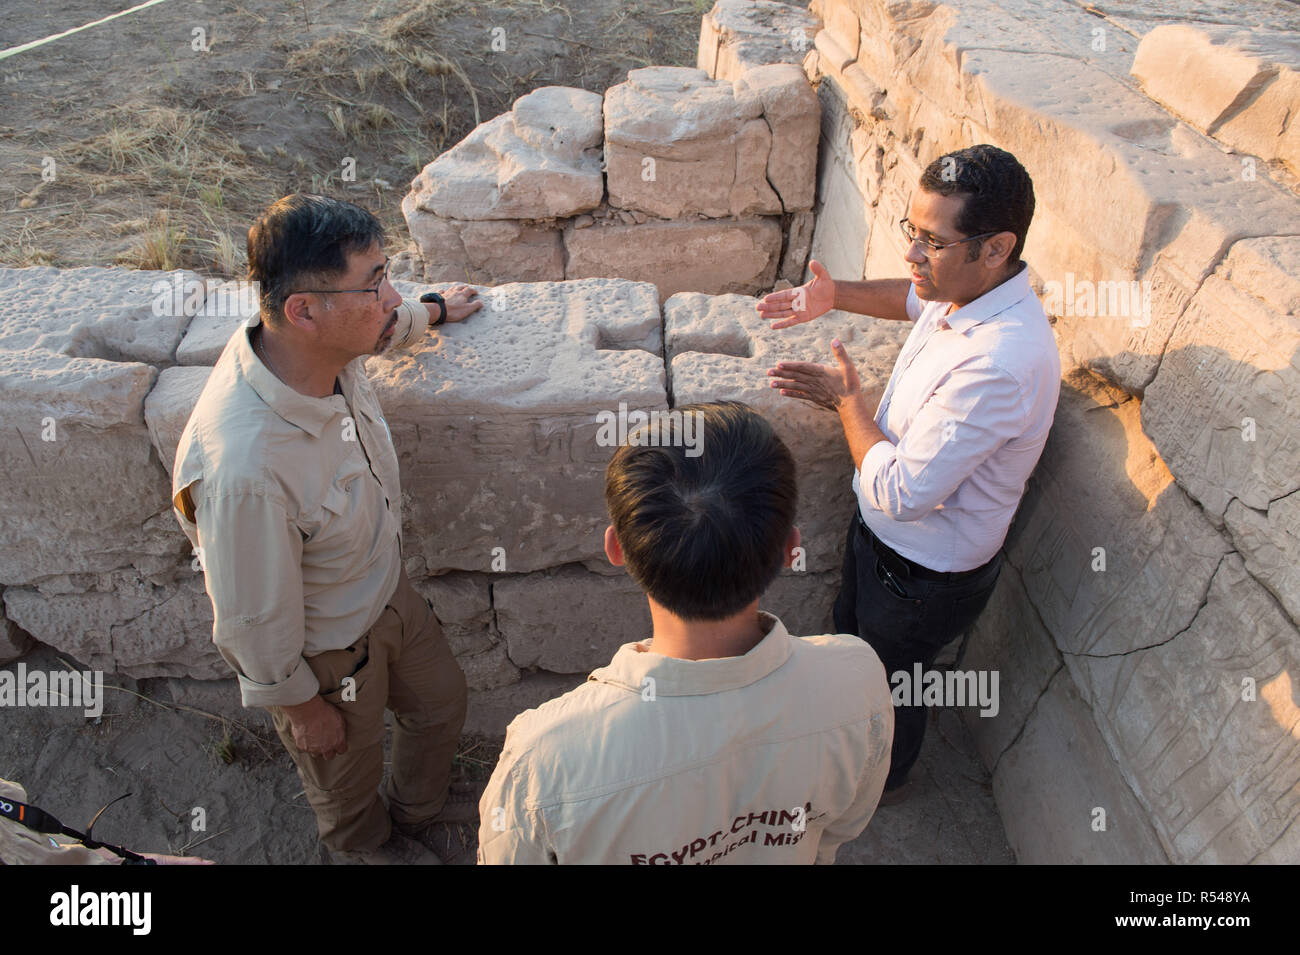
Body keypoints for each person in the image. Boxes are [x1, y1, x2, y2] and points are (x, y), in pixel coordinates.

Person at [170, 194, 483, 864]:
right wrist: (300, 706)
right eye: (374, 284)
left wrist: (429, 310)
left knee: (440, 702)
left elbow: (380, 327)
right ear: (304, 310)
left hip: (384, 589)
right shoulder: (246, 468)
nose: (389, 296)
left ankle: (417, 811)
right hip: (326, 652)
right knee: (344, 774)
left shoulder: (316, 345)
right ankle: (366, 848)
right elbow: (252, 619)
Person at [761, 144, 1060, 803]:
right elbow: (912, 300)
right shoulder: (971, 291)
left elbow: (899, 492)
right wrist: (834, 294)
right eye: (911, 231)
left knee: (895, 680)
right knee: (855, 649)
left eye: (933, 241)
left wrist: (848, 404)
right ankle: (846, 741)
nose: (912, 254)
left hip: (923, 575)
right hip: (888, 552)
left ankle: (882, 783)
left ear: (995, 246)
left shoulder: (1001, 362)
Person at [477, 401, 894, 865]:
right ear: (790, 549)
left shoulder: (542, 762)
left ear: (616, 548)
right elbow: (840, 828)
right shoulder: (857, 679)